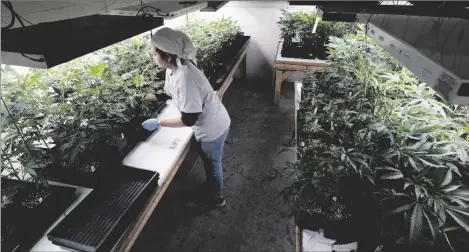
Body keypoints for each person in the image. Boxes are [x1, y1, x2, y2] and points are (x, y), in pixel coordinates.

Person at [141, 27, 231, 208]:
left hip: (212, 128)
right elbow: (172, 92)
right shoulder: (174, 68)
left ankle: (217, 198)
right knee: (208, 161)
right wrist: (154, 96)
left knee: (213, 166)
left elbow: (189, 119)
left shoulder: (186, 78)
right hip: (210, 120)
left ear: (167, 56)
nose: (153, 57)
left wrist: (158, 122)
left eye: (155, 54)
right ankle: (211, 188)